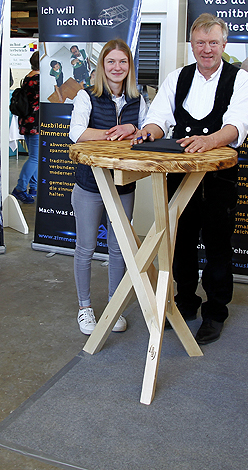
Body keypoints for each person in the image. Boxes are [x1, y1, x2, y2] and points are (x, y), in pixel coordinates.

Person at [134, 13, 248, 345]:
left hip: (219, 177)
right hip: (180, 173)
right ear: (191, 44)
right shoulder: (178, 77)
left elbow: (236, 125)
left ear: (224, 44)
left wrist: (210, 140)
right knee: (182, 241)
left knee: (218, 244)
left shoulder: (241, 80)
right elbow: (159, 117)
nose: (207, 49)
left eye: (213, 42)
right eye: (200, 43)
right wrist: (149, 132)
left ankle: (215, 312)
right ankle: (185, 302)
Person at [70, 39, 148, 335]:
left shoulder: (139, 100)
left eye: (123, 62)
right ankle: (85, 308)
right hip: (90, 185)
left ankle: (115, 306)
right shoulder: (86, 96)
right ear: (102, 66)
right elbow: (76, 132)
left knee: (118, 248)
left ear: (130, 66)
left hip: (123, 186)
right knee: (86, 248)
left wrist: (134, 129)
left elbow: (151, 131)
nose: (117, 67)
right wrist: (111, 133)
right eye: (111, 61)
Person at [11, 51, 40, 204]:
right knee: (35, 157)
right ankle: (20, 189)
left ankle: (33, 188)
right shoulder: (39, 80)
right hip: (35, 124)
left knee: (34, 156)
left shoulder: (27, 78)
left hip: (26, 122)